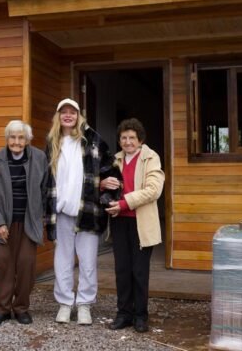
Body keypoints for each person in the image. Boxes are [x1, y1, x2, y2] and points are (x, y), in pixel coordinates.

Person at [45, 98, 114, 325]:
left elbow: (110, 169)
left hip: (88, 211)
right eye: (63, 112)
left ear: (78, 115)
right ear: (58, 116)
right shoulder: (52, 142)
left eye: (72, 112)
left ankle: (84, 304)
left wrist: (104, 188)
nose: (68, 115)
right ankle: (65, 303)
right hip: (62, 211)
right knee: (62, 259)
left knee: (87, 261)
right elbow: (46, 181)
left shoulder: (93, 140)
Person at [103, 118, 164, 333]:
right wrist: (103, 185)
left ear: (140, 140)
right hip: (120, 222)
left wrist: (123, 203)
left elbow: (153, 190)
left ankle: (140, 316)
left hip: (141, 223)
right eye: (124, 138)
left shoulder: (151, 158)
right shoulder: (115, 160)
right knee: (122, 270)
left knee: (139, 271)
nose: (128, 142)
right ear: (119, 140)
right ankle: (124, 314)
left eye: (132, 138)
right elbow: (104, 185)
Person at [0, 120, 48, 327]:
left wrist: (43, 218)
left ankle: (21, 308)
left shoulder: (39, 157)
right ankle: (2, 309)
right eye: (12, 137)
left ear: (28, 139)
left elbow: (46, 190)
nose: (16, 141)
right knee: (2, 264)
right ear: (7, 139)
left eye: (21, 137)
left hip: (29, 222)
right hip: (4, 224)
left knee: (26, 265)